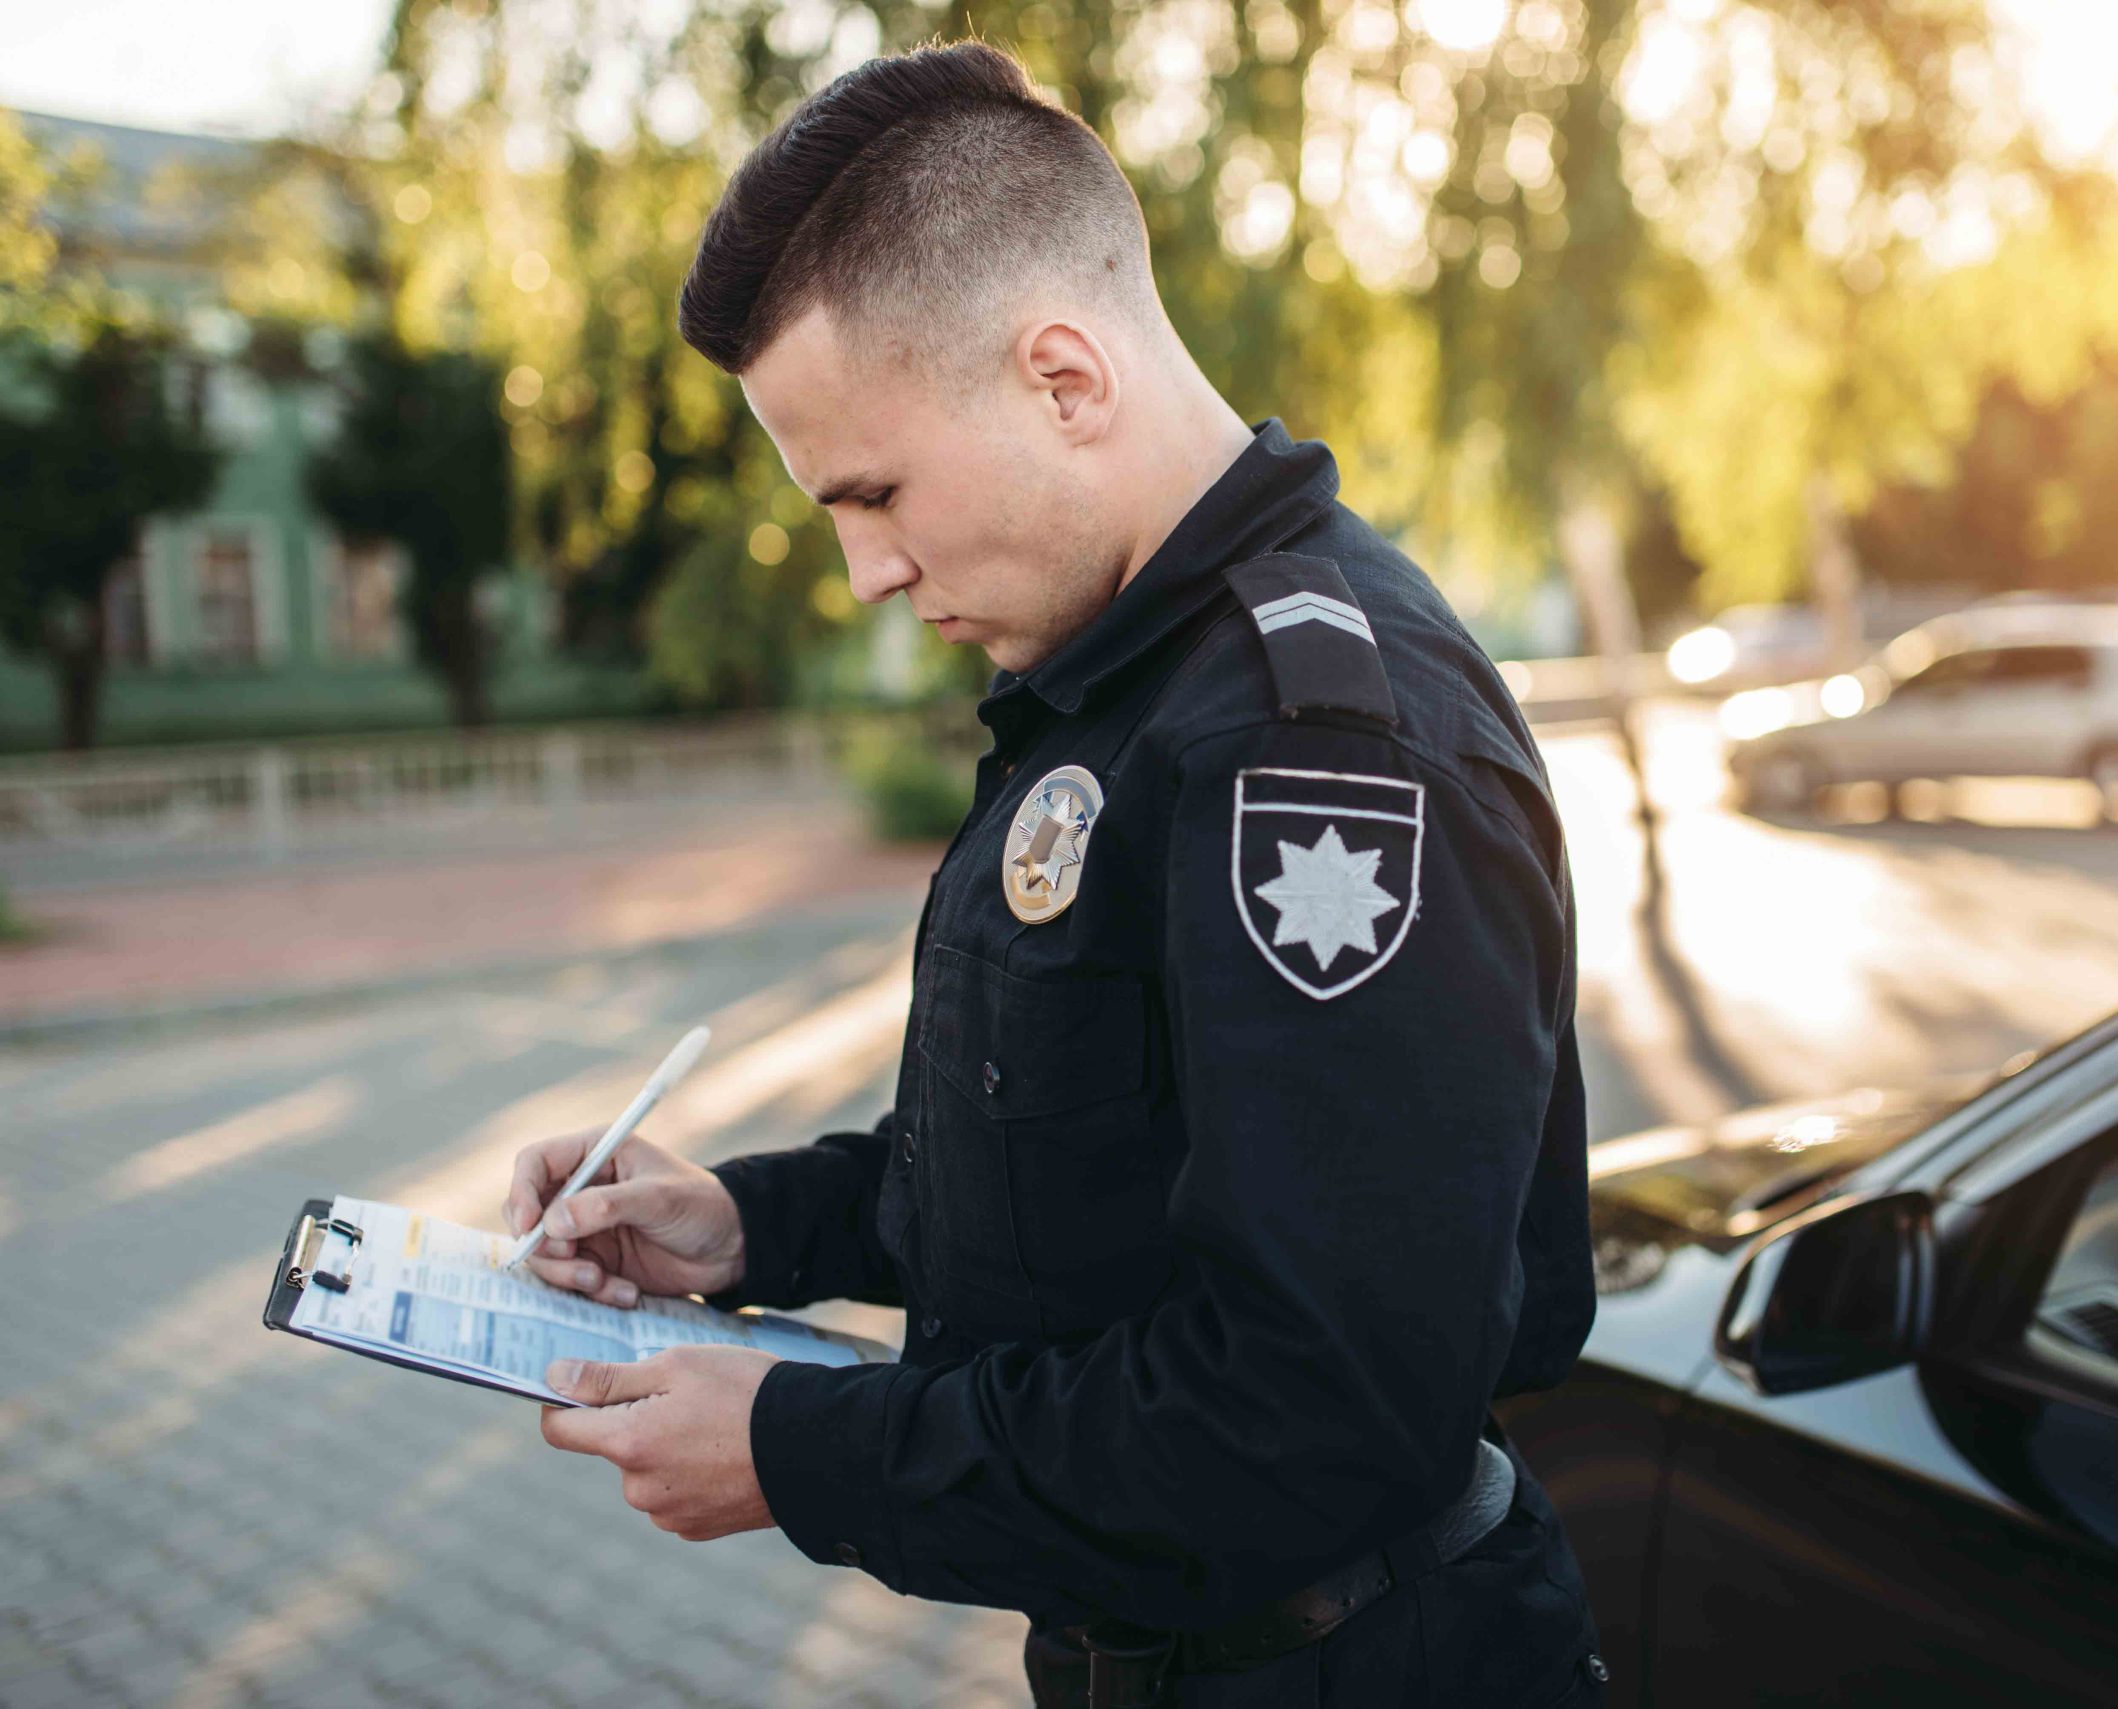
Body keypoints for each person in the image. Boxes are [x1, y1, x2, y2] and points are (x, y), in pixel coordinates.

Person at [505, 40, 1603, 1709]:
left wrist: (814, 1452)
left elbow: (1308, 1405)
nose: (868, 572)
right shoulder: (1128, 682)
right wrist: (748, 1225)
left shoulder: (1319, 744)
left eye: (873, 494)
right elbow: (1083, 1156)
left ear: (1065, 379)